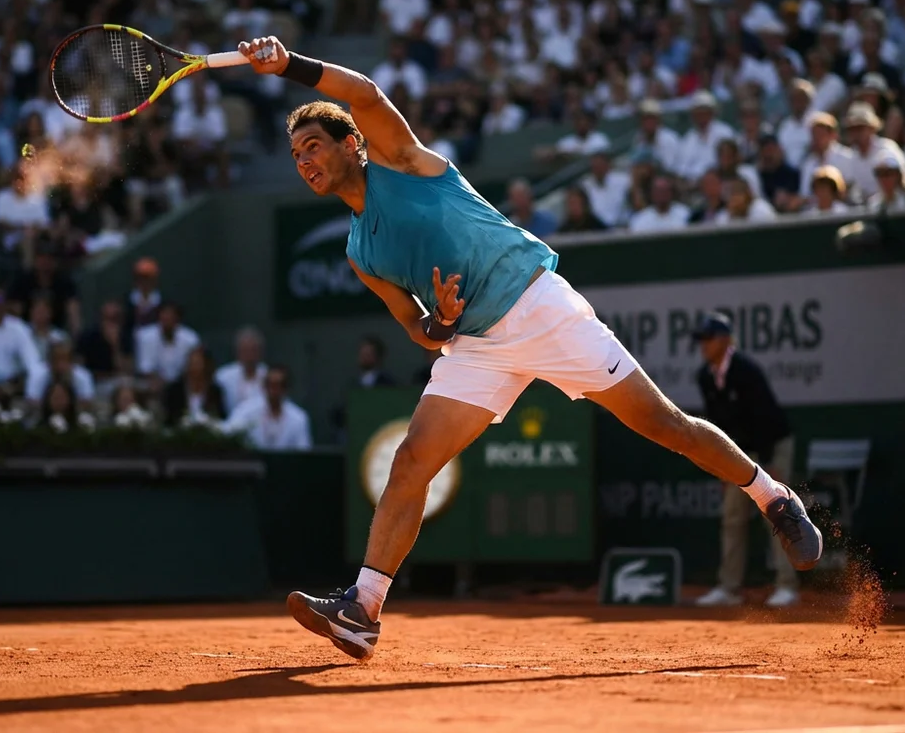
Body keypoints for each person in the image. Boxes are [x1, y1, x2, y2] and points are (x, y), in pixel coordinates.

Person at [237, 35, 822, 661]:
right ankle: (363, 610)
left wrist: (289, 65)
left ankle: (772, 497)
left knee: (663, 423)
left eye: (313, 145)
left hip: (538, 305)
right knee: (410, 462)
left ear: (352, 143)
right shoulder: (360, 251)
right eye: (295, 154)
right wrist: (442, 322)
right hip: (476, 344)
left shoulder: (403, 160)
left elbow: (364, 93)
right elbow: (414, 326)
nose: (304, 160)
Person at [689, 314, 801, 608]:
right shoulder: (704, 377)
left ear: (725, 340)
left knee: (776, 514)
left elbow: (763, 419)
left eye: (709, 339)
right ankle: (729, 589)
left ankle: (787, 586)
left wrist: (770, 465)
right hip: (739, 452)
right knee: (732, 517)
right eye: (701, 340)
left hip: (772, 445)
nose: (703, 345)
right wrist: (722, 470)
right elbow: (716, 426)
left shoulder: (746, 371)